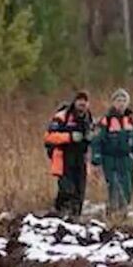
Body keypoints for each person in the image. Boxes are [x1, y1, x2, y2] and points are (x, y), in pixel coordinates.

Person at [91, 88, 133, 221]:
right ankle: (112, 212)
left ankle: (124, 213)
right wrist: (96, 161)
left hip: (127, 159)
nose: (121, 103)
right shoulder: (106, 121)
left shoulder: (131, 120)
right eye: (118, 100)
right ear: (113, 102)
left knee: (127, 186)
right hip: (110, 159)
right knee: (114, 185)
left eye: (123, 100)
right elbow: (97, 141)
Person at [43, 90, 93, 220]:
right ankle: (60, 213)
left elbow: (93, 135)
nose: (82, 104)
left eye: (85, 101)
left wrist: (90, 137)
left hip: (81, 158)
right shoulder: (62, 116)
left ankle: (75, 218)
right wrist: (69, 137)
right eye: (80, 100)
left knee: (79, 191)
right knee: (67, 189)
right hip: (64, 157)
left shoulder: (88, 117)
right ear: (75, 102)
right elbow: (49, 137)